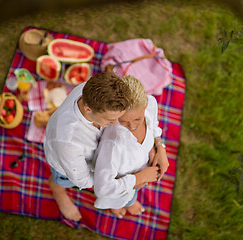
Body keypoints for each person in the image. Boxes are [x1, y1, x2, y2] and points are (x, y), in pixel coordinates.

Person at [44, 72, 132, 221]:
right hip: (66, 166)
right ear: (88, 109)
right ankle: (57, 192)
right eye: (110, 119)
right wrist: (111, 181)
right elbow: (82, 180)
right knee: (61, 180)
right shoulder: (68, 141)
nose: (116, 124)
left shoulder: (92, 89)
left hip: (92, 153)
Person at [93, 75, 169, 219]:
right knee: (120, 198)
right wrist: (139, 178)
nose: (132, 127)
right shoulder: (112, 143)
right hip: (122, 183)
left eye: (137, 119)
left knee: (131, 196)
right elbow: (103, 188)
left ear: (145, 103)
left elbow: (153, 124)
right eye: (123, 121)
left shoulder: (150, 103)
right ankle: (117, 205)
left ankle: (129, 201)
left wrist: (159, 147)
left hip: (141, 172)